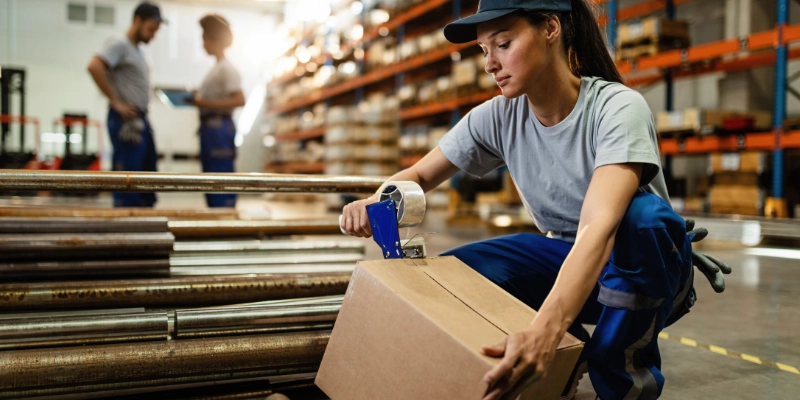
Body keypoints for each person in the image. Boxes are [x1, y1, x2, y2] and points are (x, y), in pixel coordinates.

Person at [341, 1, 728, 399]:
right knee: (460, 274)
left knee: (642, 218)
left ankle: (623, 381)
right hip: (569, 260)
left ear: (550, 29)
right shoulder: (498, 116)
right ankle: (569, 353)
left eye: (503, 43)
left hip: (645, 267)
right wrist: (375, 201)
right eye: (483, 50)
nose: (490, 63)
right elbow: (419, 175)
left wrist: (544, 331)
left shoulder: (616, 108)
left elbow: (599, 227)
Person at [87, 2, 164, 207]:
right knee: (129, 181)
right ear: (137, 20)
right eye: (151, 29)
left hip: (141, 120)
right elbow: (95, 66)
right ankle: (127, 229)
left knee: (147, 180)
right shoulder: (119, 44)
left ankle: (146, 229)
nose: (153, 35)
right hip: (126, 121)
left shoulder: (138, 51)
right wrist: (116, 102)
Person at [186, 14, 245, 208]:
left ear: (213, 39)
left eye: (204, 38)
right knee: (212, 181)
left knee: (221, 181)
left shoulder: (226, 69)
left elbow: (239, 99)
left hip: (219, 129)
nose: (202, 44)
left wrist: (205, 103)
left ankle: (224, 221)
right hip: (211, 131)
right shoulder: (217, 68)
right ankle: (217, 219)